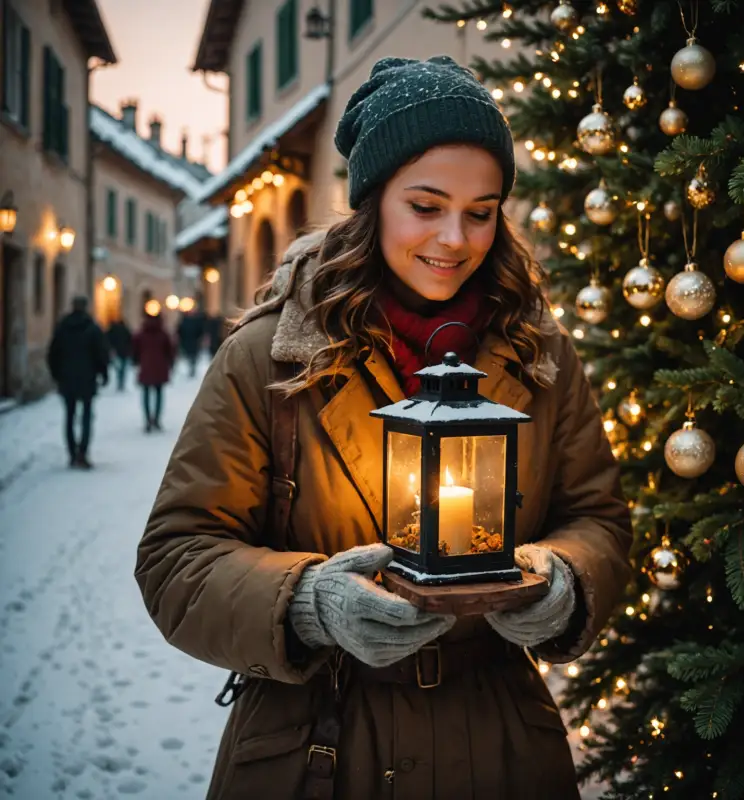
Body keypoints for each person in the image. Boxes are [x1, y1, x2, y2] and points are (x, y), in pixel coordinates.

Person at [135, 56, 632, 800]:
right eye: (426, 206)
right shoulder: (271, 357)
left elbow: (598, 519)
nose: (455, 238)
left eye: (482, 211)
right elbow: (177, 556)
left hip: (497, 742)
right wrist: (307, 601)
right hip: (317, 746)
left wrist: (566, 580)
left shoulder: (540, 355)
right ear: (372, 202)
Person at [47, 295, 109, 469]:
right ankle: (83, 452)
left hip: (67, 379)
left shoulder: (62, 328)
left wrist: (56, 375)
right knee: (86, 416)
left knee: (69, 415)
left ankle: (72, 453)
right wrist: (103, 373)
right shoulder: (92, 328)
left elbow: (52, 354)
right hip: (87, 378)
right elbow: (101, 354)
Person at [132, 309, 176, 432]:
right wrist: (171, 363)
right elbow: (170, 351)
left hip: (145, 367)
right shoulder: (163, 334)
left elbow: (135, 350)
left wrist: (136, 361)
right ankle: (156, 419)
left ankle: (147, 420)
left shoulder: (141, 333)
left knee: (146, 394)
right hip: (160, 368)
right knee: (159, 394)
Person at [106, 316, 133, 391]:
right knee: (123, 369)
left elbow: (108, 340)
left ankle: (119, 383)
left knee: (118, 369)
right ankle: (121, 383)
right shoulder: (126, 330)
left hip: (117, 352)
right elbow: (130, 340)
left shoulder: (112, 331)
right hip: (125, 352)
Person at [177, 307, 206, 377]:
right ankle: (192, 366)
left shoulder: (186, 321)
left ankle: (192, 367)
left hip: (190, 342)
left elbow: (179, 331)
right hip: (191, 341)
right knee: (192, 356)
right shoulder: (191, 321)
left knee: (191, 356)